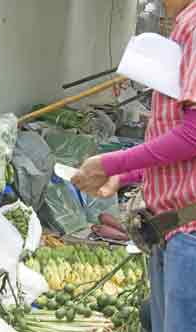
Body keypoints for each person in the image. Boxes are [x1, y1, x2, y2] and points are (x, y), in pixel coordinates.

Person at [71, 1, 196, 331]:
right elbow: (177, 144)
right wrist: (122, 174)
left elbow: (194, 135)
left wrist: (109, 162)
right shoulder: (183, 24)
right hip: (170, 228)